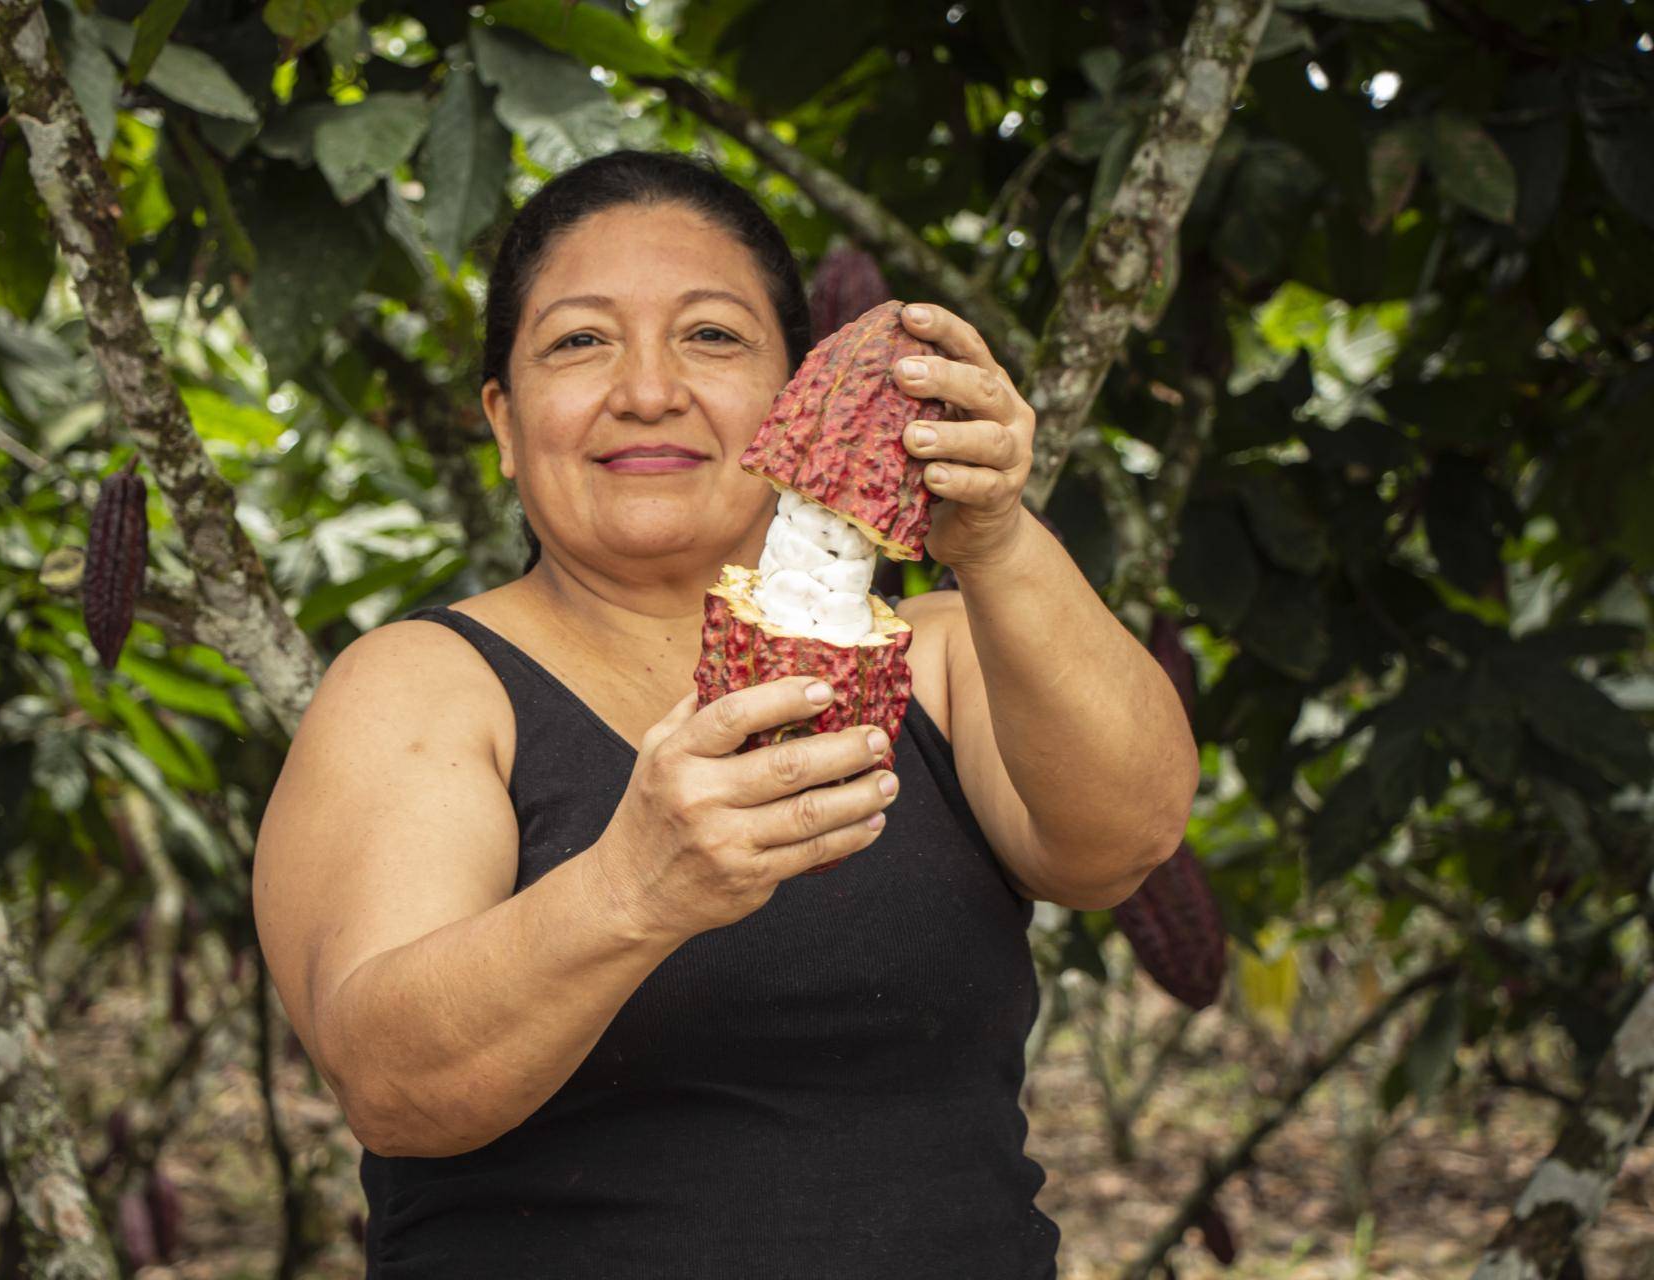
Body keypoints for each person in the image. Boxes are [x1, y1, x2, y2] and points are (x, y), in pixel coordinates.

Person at [252, 148, 1199, 1279]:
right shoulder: (419, 683)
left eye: (711, 335)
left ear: (797, 394)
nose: (648, 388)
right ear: (503, 420)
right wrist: (630, 888)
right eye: (580, 340)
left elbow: (1124, 841)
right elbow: (393, 1086)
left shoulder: (941, 646)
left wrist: (995, 534)